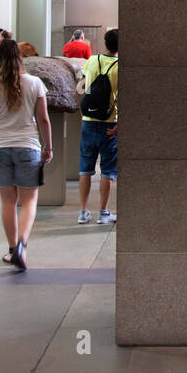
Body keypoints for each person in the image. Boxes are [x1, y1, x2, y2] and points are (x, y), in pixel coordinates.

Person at [0, 37, 52, 271]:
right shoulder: (34, 83)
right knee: (29, 200)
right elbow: (43, 119)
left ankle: (12, 249)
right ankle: (22, 244)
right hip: (28, 146)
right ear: (20, 59)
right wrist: (48, 146)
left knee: (7, 201)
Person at [79, 28, 119, 225]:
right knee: (107, 171)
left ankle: (83, 212)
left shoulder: (92, 60)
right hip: (109, 124)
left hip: (88, 121)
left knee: (85, 169)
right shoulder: (121, 67)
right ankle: (103, 212)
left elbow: (83, 87)